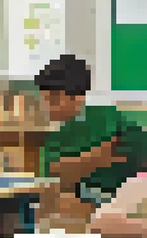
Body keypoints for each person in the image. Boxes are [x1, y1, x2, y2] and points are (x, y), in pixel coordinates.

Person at [35, 54, 147, 220]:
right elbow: (52, 176)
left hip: (122, 201)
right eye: (45, 100)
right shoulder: (56, 137)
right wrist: (96, 158)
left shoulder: (110, 119)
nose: (48, 107)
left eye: (54, 100)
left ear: (78, 97)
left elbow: (134, 149)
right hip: (87, 203)